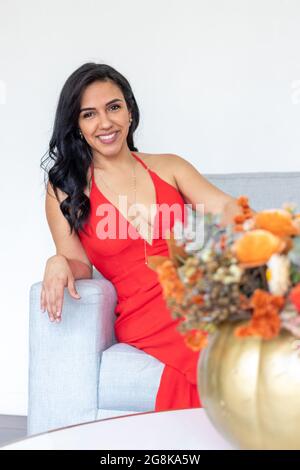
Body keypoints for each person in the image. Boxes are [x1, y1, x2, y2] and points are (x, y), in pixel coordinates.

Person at [40, 62, 243, 411]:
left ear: (130, 112)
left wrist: (274, 228)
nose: (105, 123)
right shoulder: (65, 188)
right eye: (89, 114)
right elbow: (80, 266)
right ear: (77, 125)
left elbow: (228, 211)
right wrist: (56, 261)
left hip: (200, 291)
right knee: (223, 355)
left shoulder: (170, 166)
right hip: (146, 311)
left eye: (113, 107)